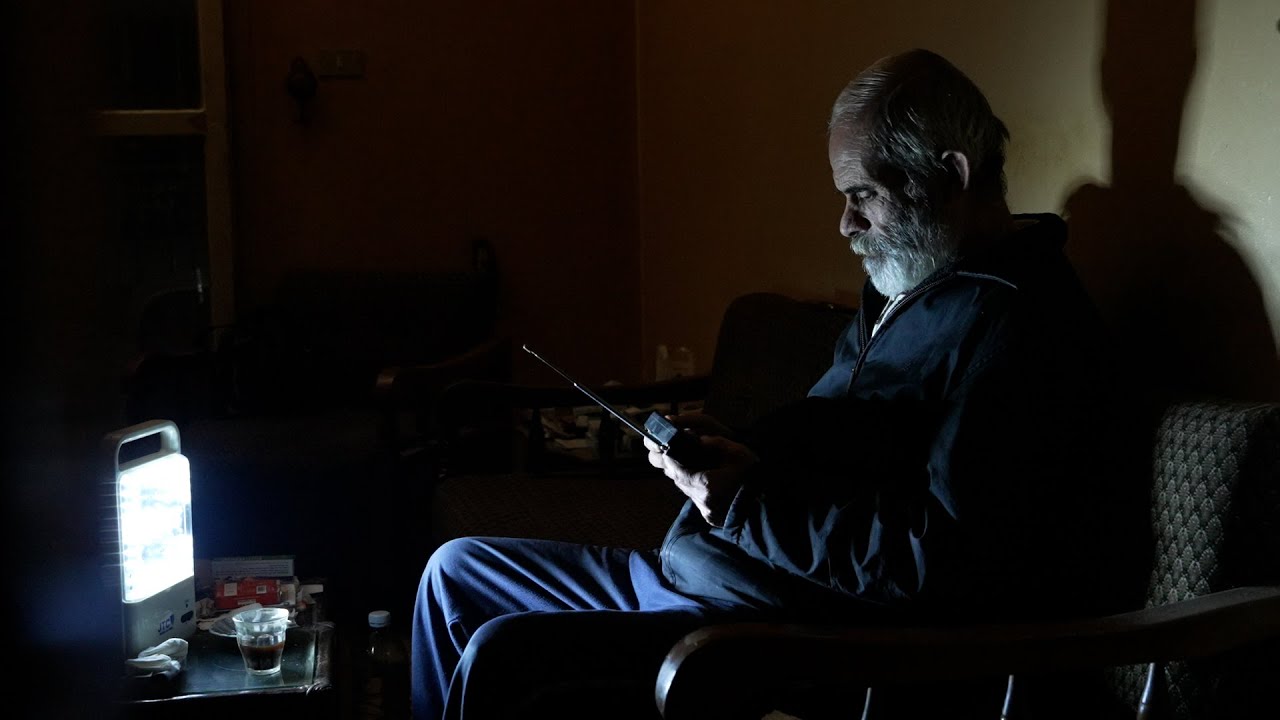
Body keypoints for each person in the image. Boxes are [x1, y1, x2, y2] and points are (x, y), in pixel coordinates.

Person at [411, 48, 1148, 720]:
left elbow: (938, 561)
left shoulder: (1018, 327)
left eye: (863, 194)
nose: (845, 224)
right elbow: (839, 451)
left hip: (777, 631)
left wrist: (744, 506)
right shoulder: (908, 286)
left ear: (952, 175)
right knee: (454, 573)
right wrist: (741, 454)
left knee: (503, 653)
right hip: (704, 573)